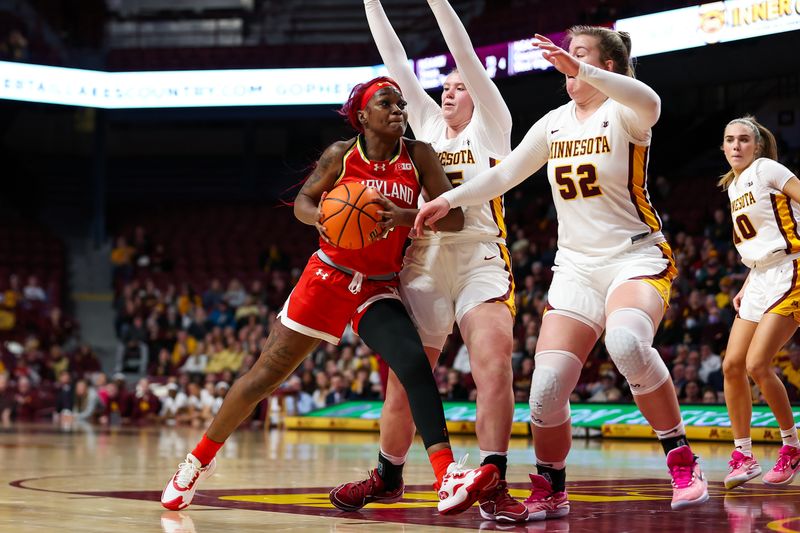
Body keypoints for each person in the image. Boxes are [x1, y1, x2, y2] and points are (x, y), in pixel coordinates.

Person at [161, 76, 499, 514]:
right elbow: (303, 202)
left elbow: (453, 222)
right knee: (264, 376)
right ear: (363, 116)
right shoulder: (341, 155)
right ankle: (196, 462)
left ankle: (447, 475)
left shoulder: (419, 156)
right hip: (328, 276)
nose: (398, 110)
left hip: (377, 285)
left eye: (400, 103)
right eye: (387, 103)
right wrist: (319, 216)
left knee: (414, 363)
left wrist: (405, 216)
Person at [416, 27, 709, 513]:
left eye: (580, 55)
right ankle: (553, 486)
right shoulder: (554, 123)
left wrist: (582, 68)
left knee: (628, 342)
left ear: (606, 67)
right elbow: (502, 174)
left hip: (634, 256)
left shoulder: (626, 113)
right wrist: (447, 198)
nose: (566, 63)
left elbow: (651, 99)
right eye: (568, 56)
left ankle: (681, 457)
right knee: (545, 389)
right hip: (574, 267)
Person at [329, 0, 528, 523]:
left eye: (460, 85)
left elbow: (463, 51)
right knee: (406, 375)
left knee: (493, 364)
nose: (449, 89)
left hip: (479, 256)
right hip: (423, 260)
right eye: (446, 84)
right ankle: (388, 474)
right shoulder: (422, 125)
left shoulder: (492, 124)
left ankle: (494, 481)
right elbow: (394, 59)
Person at [718, 116, 800, 489]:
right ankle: (744, 455)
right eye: (730, 140)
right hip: (760, 276)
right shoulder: (734, 186)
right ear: (722, 147)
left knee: (757, 363)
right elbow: (762, 239)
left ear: (758, 146)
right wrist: (749, 280)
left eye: (744, 140)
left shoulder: (767, 169)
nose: (736, 146)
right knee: (732, 365)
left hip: (791, 269)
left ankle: (791, 446)